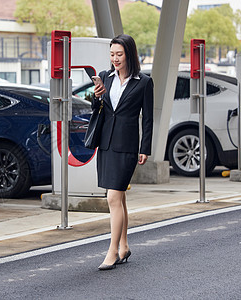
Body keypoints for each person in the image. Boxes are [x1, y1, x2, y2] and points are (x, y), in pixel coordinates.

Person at [92, 34, 153, 270]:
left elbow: (148, 118)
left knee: (113, 198)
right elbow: (100, 109)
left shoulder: (143, 82)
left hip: (127, 146)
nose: (115, 59)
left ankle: (112, 250)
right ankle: (125, 245)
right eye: (112, 54)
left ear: (129, 54)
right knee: (120, 197)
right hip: (106, 143)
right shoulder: (105, 77)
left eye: (119, 54)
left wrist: (145, 148)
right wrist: (96, 97)